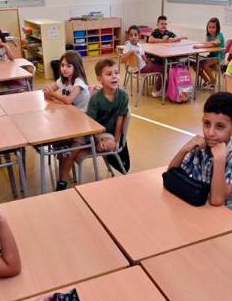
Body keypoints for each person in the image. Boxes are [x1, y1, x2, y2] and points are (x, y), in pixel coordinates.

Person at [168, 92, 232, 221]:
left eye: (220, 126)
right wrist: (184, 149)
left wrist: (219, 160)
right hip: (202, 209)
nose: (210, 133)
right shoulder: (201, 147)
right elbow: (171, 175)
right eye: (207, 124)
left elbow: (217, 200)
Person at [56, 59, 129, 191]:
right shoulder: (95, 99)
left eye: (116, 73)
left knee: (110, 144)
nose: (114, 76)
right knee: (74, 147)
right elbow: (89, 124)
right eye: (109, 74)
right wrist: (97, 138)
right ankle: (62, 181)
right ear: (100, 79)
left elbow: (120, 119)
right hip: (91, 131)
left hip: (108, 134)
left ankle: (79, 151)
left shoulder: (123, 96)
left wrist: (117, 140)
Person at [122, 25, 164, 97]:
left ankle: (157, 87)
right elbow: (122, 60)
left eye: (135, 35)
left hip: (140, 67)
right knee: (163, 69)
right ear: (128, 37)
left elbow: (144, 57)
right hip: (138, 69)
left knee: (155, 64)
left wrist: (149, 63)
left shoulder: (139, 45)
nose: (133, 37)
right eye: (131, 35)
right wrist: (131, 51)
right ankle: (157, 90)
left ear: (139, 36)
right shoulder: (128, 46)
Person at [193, 17, 225, 88]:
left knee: (205, 65)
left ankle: (213, 81)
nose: (211, 29)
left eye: (213, 27)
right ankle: (207, 80)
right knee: (196, 66)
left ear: (217, 28)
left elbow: (216, 42)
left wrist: (202, 46)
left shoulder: (220, 35)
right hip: (211, 55)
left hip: (219, 56)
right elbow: (206, 44)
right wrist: (204, 44)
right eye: (209, 27)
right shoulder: (208, 35)